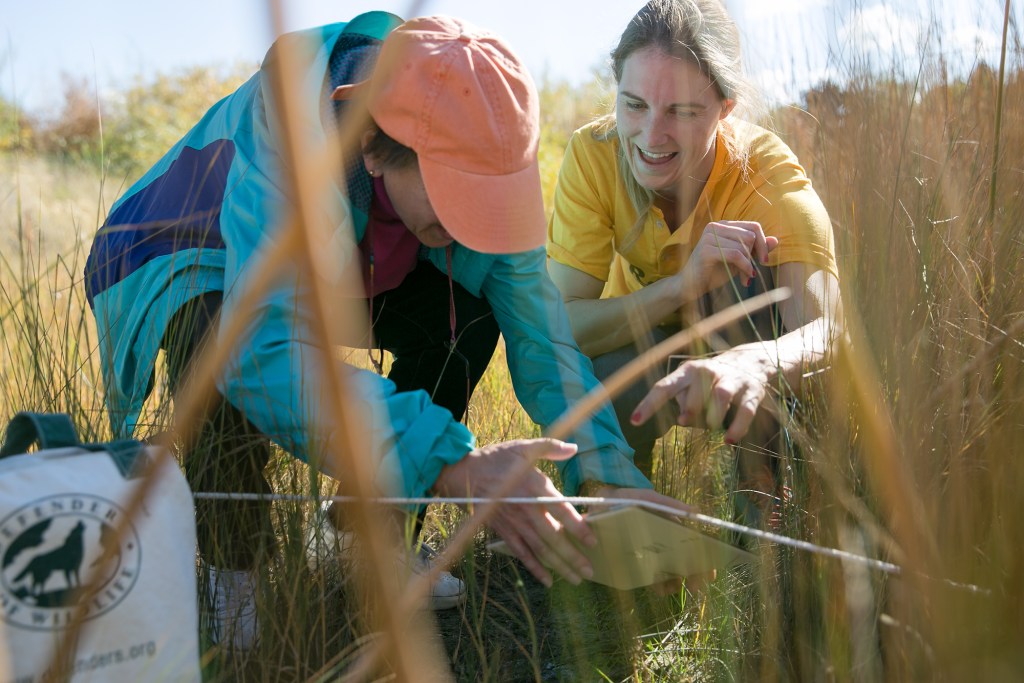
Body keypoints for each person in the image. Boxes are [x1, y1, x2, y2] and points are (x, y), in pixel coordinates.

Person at [84, 12, 678, 652]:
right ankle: (237, 584)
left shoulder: (486, 140)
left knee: (466, 316)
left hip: (355, 260)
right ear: (371, 144)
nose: (474, 227)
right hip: (193, 248)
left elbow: (545, 342)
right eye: (456, 198)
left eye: (490, 202)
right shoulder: (288, 128)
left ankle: (364, 538)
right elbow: (260, 353)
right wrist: (449, 462)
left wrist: (612, 477)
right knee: (216, 344)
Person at [547, 0, 843, 521]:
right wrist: (680, 287)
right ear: (614, 90)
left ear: (725, 108)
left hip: (746, 354)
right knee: (598, 364)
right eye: (633, 104)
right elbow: (561, 325)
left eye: (682, 112)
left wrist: (757, 362)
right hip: (645, 353)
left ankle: (763, 495)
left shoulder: (768, 177)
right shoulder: (593, 155)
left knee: (755, 276)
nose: (651, 136)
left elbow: (829, 333)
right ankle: (617, 505)